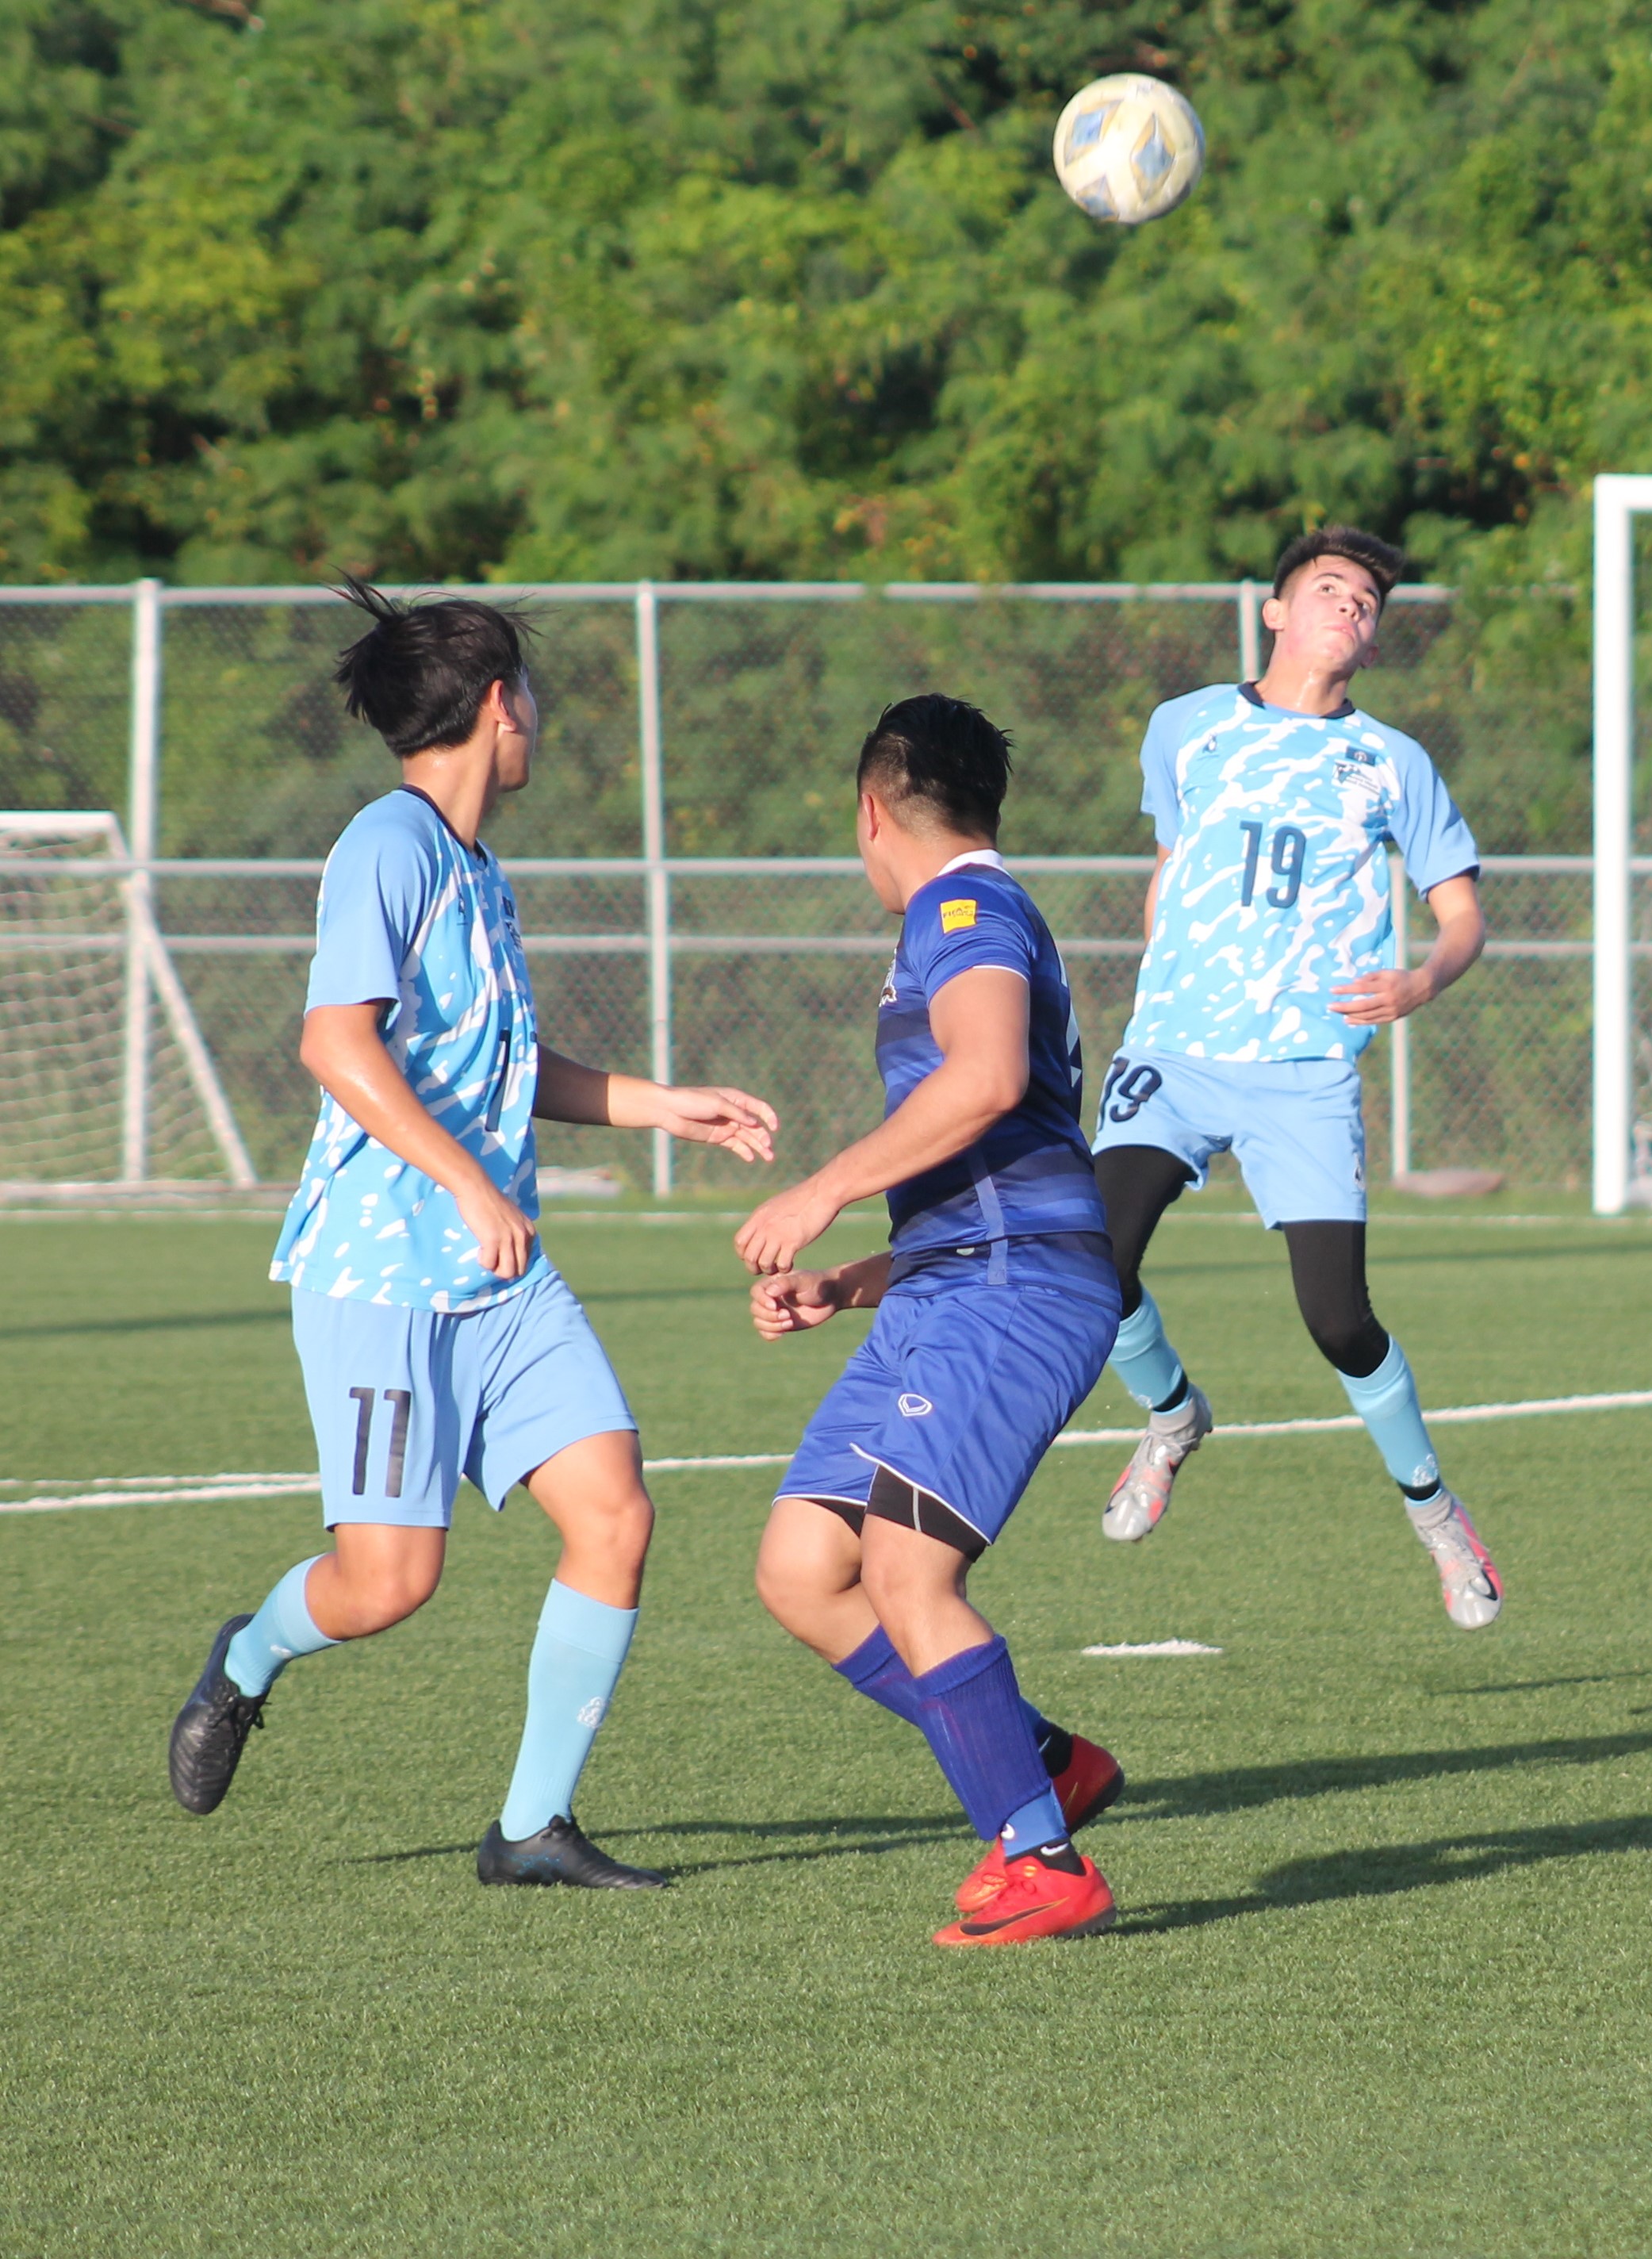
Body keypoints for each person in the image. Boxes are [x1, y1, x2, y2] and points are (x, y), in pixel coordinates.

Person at [167, 581, 776, 1889]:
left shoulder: (474, 867)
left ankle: (531, 1828)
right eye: (531, 698)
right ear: (498, 704)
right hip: (383, 1275)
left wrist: (659, 1105)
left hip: (499, 1278)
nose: (539, 723)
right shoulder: (387, 843)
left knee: (614, 1512)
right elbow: (336, 1043)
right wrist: (466, 1182)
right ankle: (250, 1655)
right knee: (388, 1583)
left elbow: (497, 1067)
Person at [742, 693, 1125, 1948]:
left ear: (870, 808)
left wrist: (820, 1186)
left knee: (909, 1571)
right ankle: (1040, 1764)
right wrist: (854, 1279)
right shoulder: (955, 915)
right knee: (804, 1569)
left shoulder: (962, 908)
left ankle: (1042, 1859)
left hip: (1012, 1296)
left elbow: (989, 1077)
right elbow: (981, 1163)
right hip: (949, 1284)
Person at [1090, 526, 1501, 1628]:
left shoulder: (1392, 762)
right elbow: (1174, 868)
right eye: (1330, 591)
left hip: (1304, 1072)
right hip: (1172, 1055)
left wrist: (1421, 982)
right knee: (1092, 1263)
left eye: (1368, 603)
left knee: (1337, 1320)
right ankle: (1172, 1416)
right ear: (1274, 611)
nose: (1351, 611)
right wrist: (1154, 1000)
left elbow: (1461, 915)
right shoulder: (1186, 727)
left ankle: (1436, 1516)